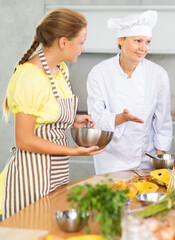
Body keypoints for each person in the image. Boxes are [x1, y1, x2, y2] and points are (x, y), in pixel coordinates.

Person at [0, 8, 104, 219]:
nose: (83, 48)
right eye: (81, 42)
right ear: (63, 42)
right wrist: (74, 151)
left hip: (56, 174)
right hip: (30, 180)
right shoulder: (31, 77)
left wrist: (72, 119)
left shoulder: (61, 70)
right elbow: (24, 139)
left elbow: (45, 113)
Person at [87, 10, 172, 174]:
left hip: (147, 158)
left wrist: (160, 161)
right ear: (121, 40)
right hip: (110, 160)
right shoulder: (99, 73)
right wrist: (121, 118)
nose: (143, 48)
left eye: (147, 42)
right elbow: (95, 119)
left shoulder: (158, 74)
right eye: (138, 41)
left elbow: (163, 122)